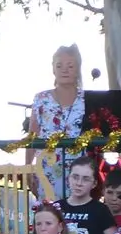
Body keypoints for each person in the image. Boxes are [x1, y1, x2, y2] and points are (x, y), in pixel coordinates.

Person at [29, 44, 87, 199]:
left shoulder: (87, 99)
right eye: (59, 65)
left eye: (70, 66)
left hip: (80, 169)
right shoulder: (41, 99)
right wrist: (28, 168)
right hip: (47, 166)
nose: (64, 70)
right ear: (53, 69)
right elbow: (32, 136)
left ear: (77, 69)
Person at [61, 157, 116, 234]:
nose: (79, 183)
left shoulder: (101, 210)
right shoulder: (57, 207)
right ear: (68, 178)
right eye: (75, 177)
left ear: (94, 183)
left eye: (86, 179)